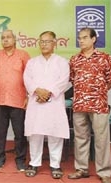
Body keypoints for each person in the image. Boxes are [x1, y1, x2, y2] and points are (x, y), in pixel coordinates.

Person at [68, 28, 111, 183]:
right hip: (79, 104)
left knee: (101, 139)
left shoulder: (104, 58)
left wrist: (98, 92)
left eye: (85, 38)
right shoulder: (74, 60)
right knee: (81, 138)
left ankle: (104, 172)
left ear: (94, 39)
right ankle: (81, 169)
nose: (81, 41)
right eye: (79, 38)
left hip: (98, 105)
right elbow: (72, 80)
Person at [23, 31, 70, 179]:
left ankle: (55, 164)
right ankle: (34, 163)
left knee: (55, 133)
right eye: (41, 41)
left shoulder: (62, 62)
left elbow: (64, 80)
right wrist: (38, 91)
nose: (44, 44)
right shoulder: (32, 62)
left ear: (54, 43)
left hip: (54, 103)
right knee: (35, 133)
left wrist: (48, 93)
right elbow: (27, 79)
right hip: (36, 102)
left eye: (47, 41)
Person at [0, 29, 30, 171]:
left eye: (8, 37)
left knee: (20, 133)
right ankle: (0, 159)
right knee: (0, 132)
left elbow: (29, 77)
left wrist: (28, 97)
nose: (5, 40)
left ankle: (20, 160)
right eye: (3, 38)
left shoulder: (23, 55)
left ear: (14, 40)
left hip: (18, 100)